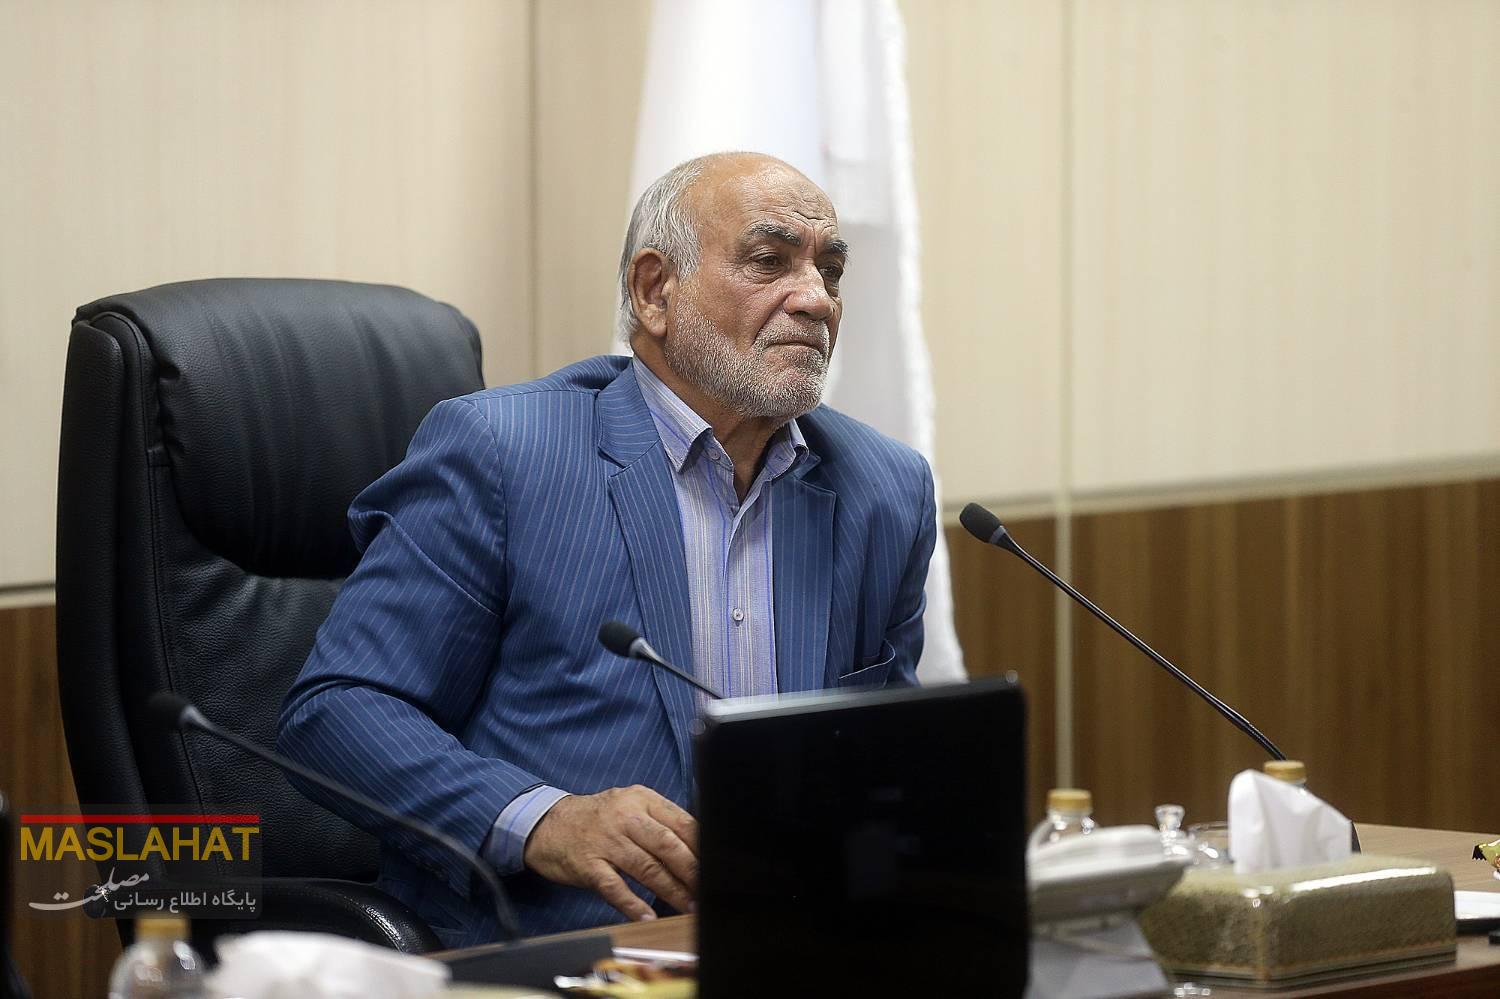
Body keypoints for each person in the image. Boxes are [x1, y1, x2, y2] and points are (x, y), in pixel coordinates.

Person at [277, 151, 937, 945]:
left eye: (829, 271)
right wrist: (542, 818)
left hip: (798, 947)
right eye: (770, 262)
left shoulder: (884, 489)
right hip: (556, 951)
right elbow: (337, 709)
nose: (816, 299)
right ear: (654, 289)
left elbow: (885, 764)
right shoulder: (504, 452)